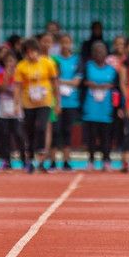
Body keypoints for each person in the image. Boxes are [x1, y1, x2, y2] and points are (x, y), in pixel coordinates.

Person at [16, 38, 57, 172]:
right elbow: (17, 87)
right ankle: (31, 159)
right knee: (29, 130)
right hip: (28, 102)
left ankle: (41, 151)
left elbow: (55, 84)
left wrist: (58, 103)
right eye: (28, 52)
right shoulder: (21, 66)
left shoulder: (48, 63)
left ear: (38, 51)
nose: (31, 55)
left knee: (41, 126)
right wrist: (16, 104)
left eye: (33, 51)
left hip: (45, 101)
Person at [81, 40, 119, 169]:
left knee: (106, 136)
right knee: (91, 135)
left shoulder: (112, 70)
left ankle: (106, 160)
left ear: (106, 53)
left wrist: (107, 86)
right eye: (96, 51)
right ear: (92, 53)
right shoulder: (88, 67)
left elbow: (116, 86)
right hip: (91, 107)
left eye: (101, 51)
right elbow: (82, 82)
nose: (99, 54)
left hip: (106, 107)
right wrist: (90, 84)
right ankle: (91, 160)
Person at [51, 33, 82, 170]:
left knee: (67, 131)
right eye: (62, 42)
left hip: (71, 101)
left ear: (71, 44)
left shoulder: (77, 60)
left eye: (68, 42)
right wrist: (59, 83)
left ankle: (66, 160)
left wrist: (60, 81)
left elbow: (76, 82)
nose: (65, 45)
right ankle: (52, 160)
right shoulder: (54, 60)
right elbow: (52, 80)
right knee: (55, 131)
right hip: (56, 101)